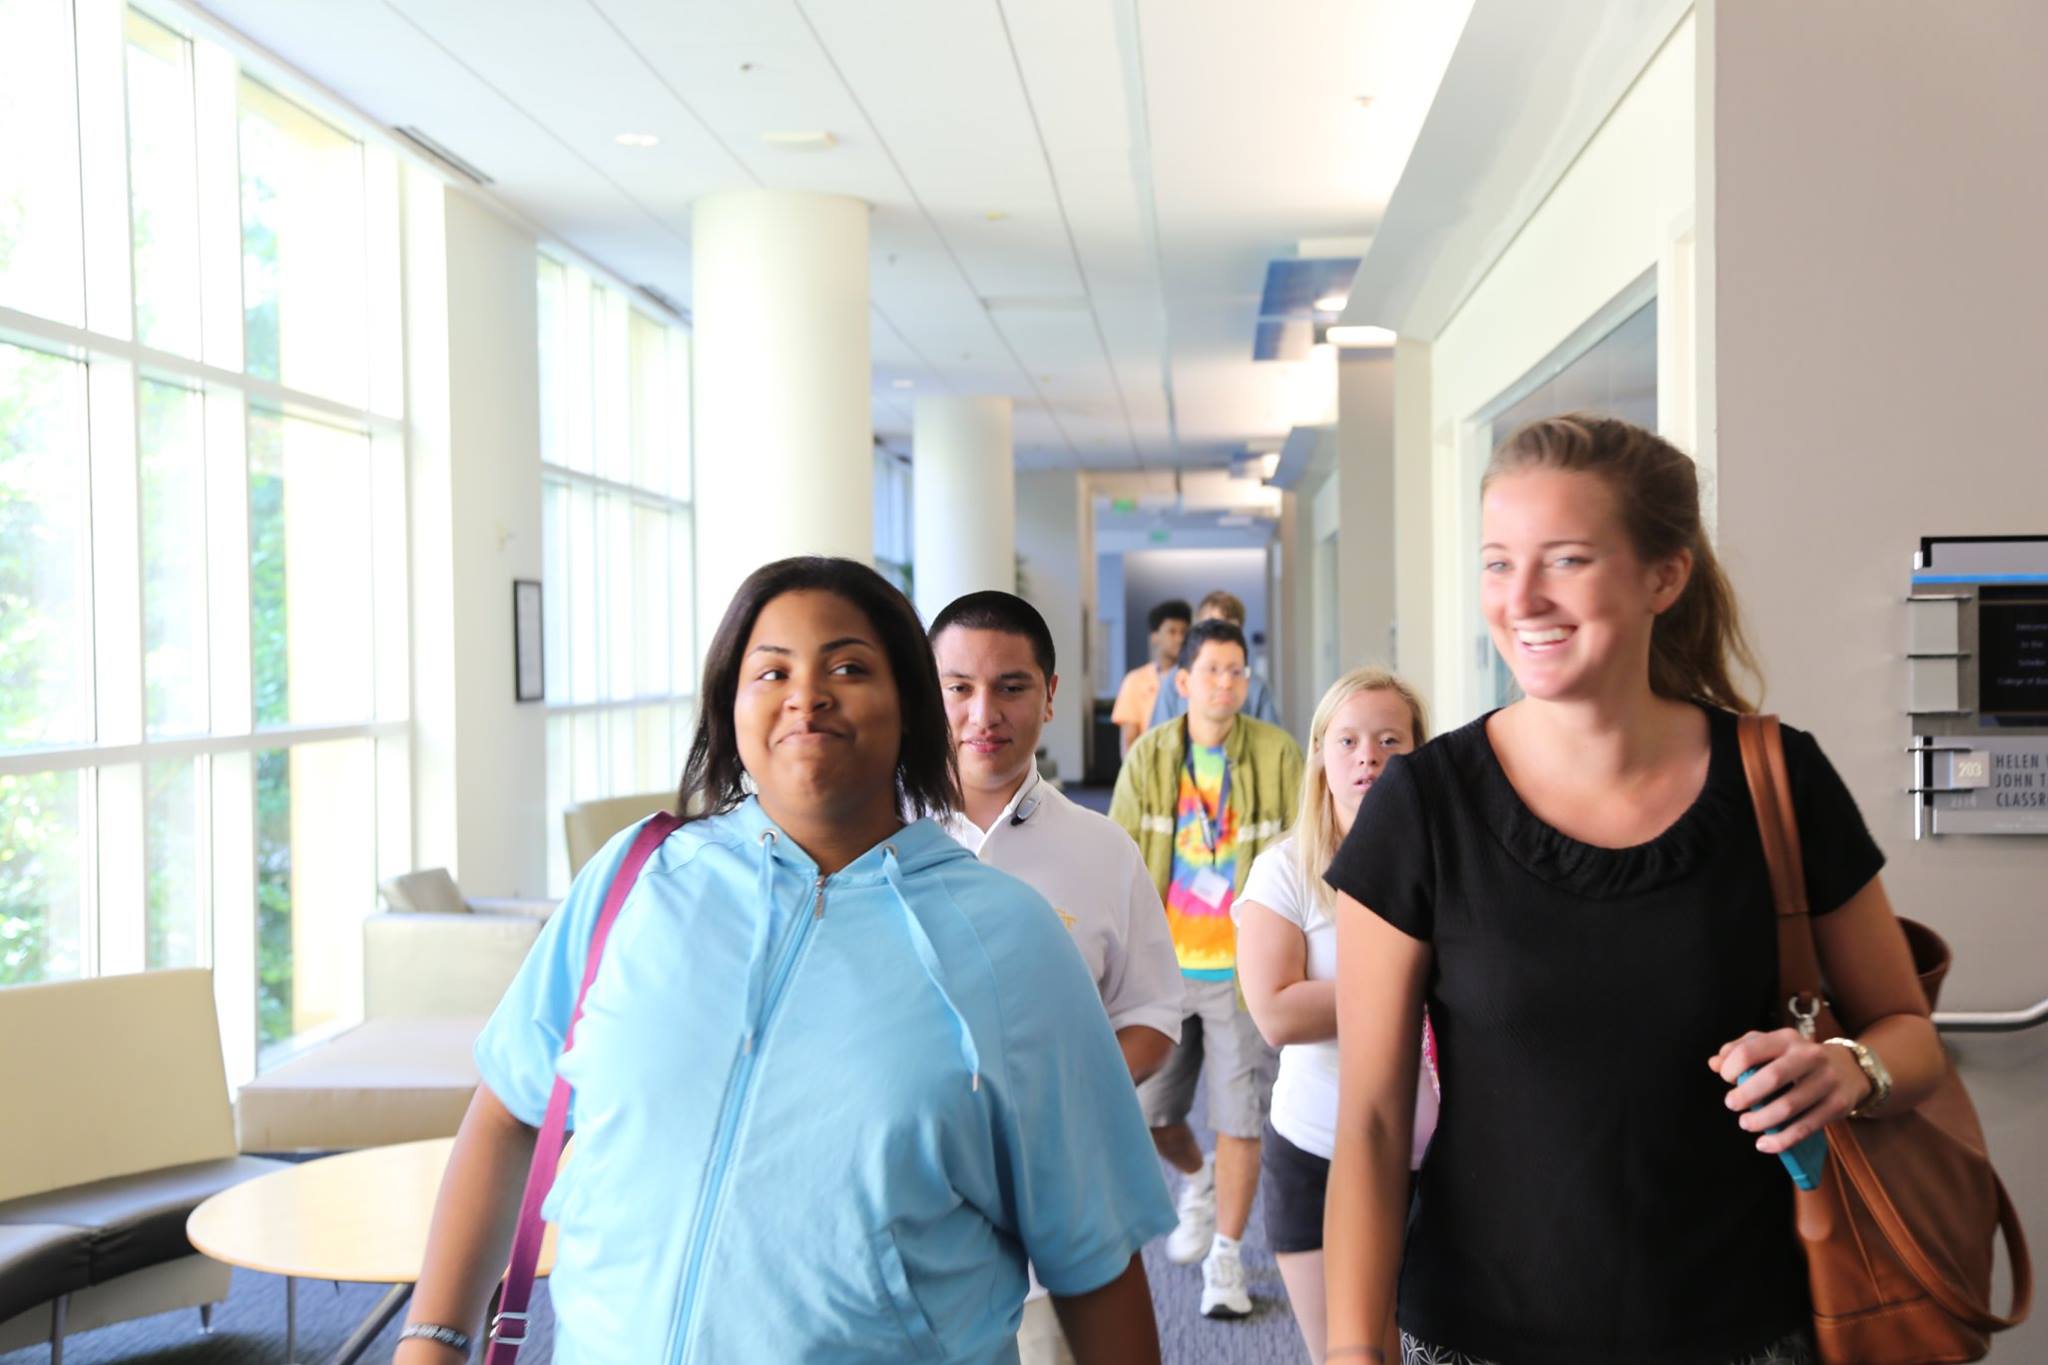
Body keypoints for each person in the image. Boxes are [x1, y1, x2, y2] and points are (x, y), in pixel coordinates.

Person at [397, 557, 1173, 1365]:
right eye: (772, 669)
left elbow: (1097, 1261)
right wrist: (434, 1340)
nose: (808, 692)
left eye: (848, 665)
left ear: (908, 703)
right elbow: (510, 1108)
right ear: (730, 704)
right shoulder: (636, 881)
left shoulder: (1010, 937)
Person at [1322, 415, 1944, 1365]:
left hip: (1747, 1333)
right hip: (1483, 1336)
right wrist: (1354, 1356)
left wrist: (1851, 1068)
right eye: (1497, 562)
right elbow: (1368, 1121)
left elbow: (1910, 1030)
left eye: (1565, 559)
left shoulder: (1779, 779)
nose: (1520, 598)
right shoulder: (1423, 806)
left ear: (1665, 574)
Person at [930, 589, 1185, 1365]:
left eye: (1011, 686)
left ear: (1050, 697)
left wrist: (1058, 1091)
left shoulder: (1103, 849)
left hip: (1053, 1226)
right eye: (959, 688)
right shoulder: (874, 841)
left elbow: (1151, 1010)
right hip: (909, 1238)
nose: (984, 713)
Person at [1233, 667, 1440, 1364]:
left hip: (1454, 1161)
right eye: (1347, 739)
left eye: (1390, 739)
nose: (1368, 756)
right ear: (1319, 755)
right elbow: (1278, 1013)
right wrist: (1414, 977)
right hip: (1320, 1154)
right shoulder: (1285, 870)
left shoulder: (1451, 865)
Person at [1110, 617, 1303, 1321]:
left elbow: (1300, 854)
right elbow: (1121, 862)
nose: (1228, 683)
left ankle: (1227, 1255)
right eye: (1213, 670)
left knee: (1240, 1117)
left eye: (1238, 671)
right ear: (1183, 681)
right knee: (1152, 1111)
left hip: (1241, 972)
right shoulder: (1152, 759)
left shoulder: (1278, 755)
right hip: (1164, 968)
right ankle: (1197, 1179)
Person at [1148, 590, 1283, 732]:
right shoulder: (1175, 681)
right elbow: (1159, 737)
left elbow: (1271, 738)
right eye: (1211, 629)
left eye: (1229, 630)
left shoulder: (1256, 687)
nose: (1225, 683)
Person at [1112, 599, 1192, 755]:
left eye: (1184, 632)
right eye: (1172, 631)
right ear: (1155, 636)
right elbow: (1128, 741)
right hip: (1149, 762)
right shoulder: (1135, 681)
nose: (1180, 638)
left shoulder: (1195, 679)